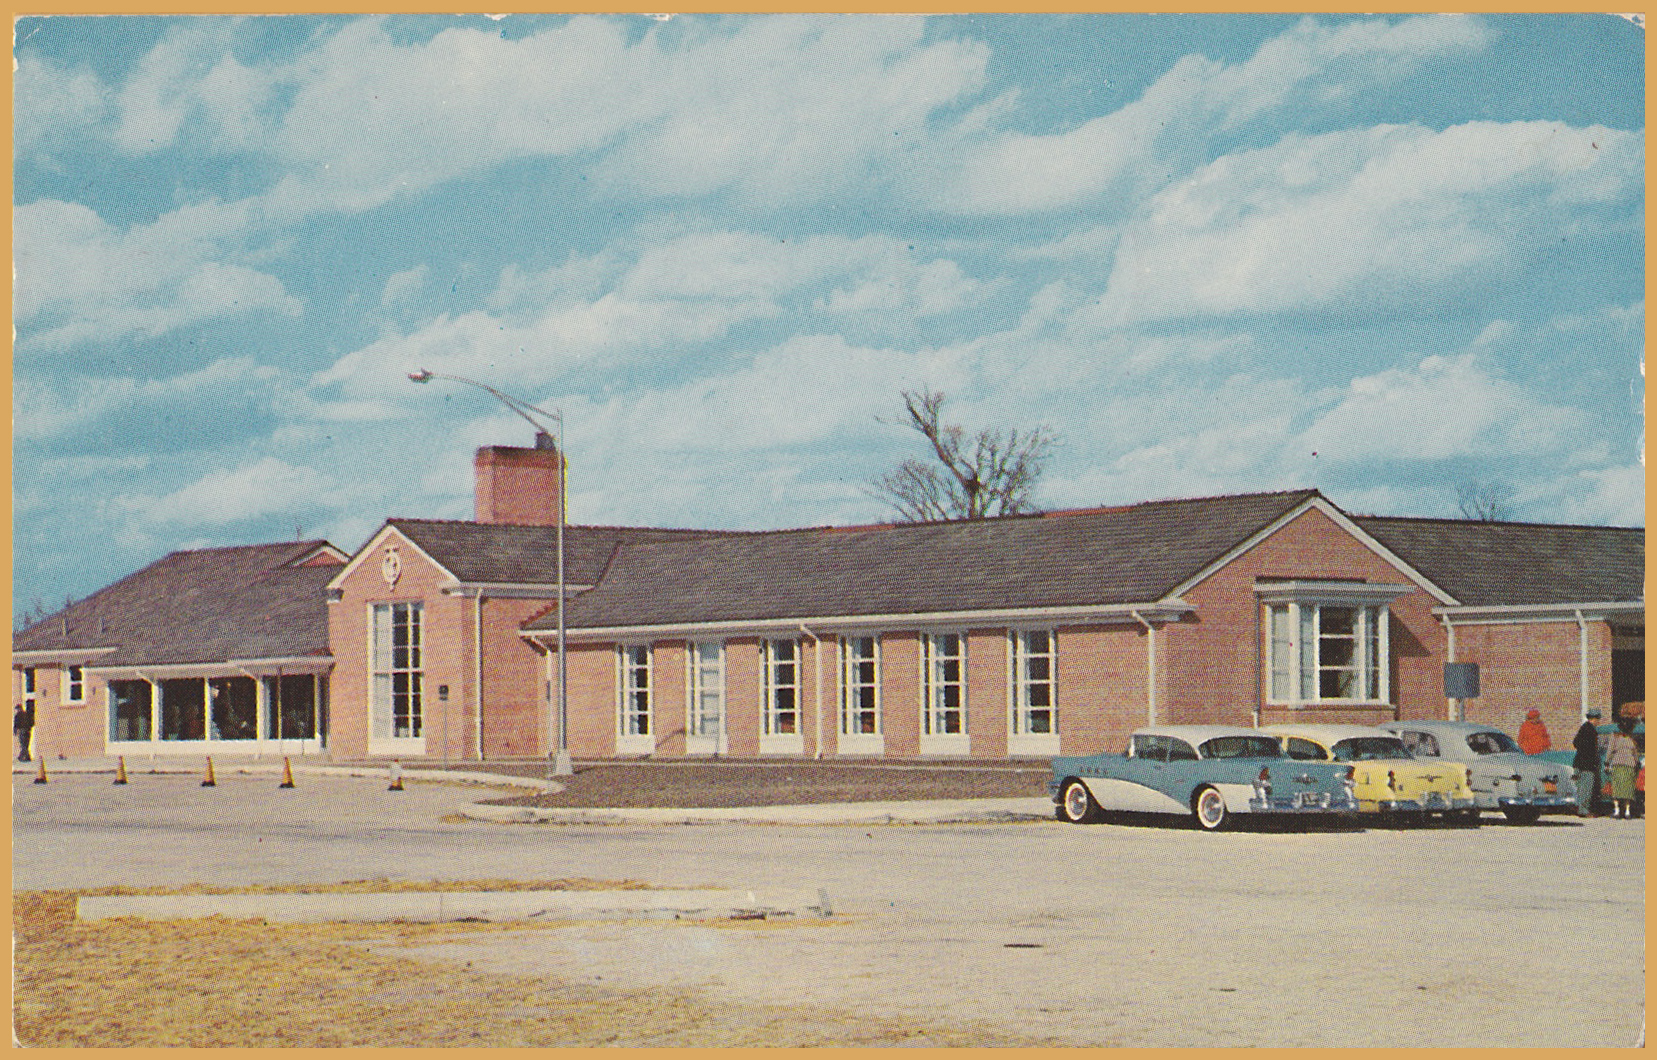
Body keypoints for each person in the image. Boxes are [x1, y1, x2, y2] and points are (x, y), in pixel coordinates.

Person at [1605, 720, 1641, 819]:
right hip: (1630, 765)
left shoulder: (1615, 738)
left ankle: (1617, 811)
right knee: (1628, 789)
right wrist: (1637, 763)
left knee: (1617, 788)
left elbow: (1610, 751)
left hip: (1617, 764)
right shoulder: (1631, 740)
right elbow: (1635, 755)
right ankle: (1627, 812)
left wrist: (1607, 763)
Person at [1572, 709, 1604, 817]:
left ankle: (1580, 809)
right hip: (1587, 764)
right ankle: (1583, 811)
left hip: (1579, 762)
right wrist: (1588, 754)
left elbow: (1575, 743)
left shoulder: (1583, 728)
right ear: (1593, 719)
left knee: (1581, 788)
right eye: (1597, 719)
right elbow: (1590, 748)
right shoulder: (1590, 730)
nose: (1598, 721)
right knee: (1586, 788)